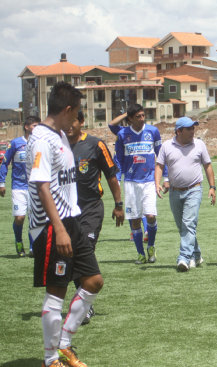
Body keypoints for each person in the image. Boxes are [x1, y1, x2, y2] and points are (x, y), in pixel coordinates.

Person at [26, 81, 103, 367]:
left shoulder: (59, 135)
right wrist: (58, 229)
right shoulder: (41, 139)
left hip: (72, 221)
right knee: (56, 292)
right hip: (51, 226)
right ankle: (50, 359)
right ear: (68, 109)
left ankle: (64, 344)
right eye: (77, 113)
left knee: (94, 281)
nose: (77, 119)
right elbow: (42, 186)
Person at [65, 111, 124, 325]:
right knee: (71, 256)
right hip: (67, 211)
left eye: (74, 121)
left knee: (86, 250)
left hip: (91, 208)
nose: (69, 126)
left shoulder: (95, 145)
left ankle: (84, 306)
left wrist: (118, 205)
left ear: (81, 122)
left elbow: (111, 175)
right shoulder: (58, 145)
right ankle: (84, 302)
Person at [155, 117, 216, 272]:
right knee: (183, 227)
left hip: (194, 189)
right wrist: (157, 183)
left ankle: (183, 258)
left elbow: (207, 166)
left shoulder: (199, 144)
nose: (192, 131)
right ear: (179, 131)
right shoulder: (167, 146)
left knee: (188, 223)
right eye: (189, 129)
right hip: (175, 192)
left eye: (193, 128)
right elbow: (160, 166)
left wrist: (212, 187)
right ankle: (196, 254)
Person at [114, 105, 163, 264]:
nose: (142, 119)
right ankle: (141, 254)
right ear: (130, 119)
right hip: (130, 182)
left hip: (148, 181)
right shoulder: (122, 134)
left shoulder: (153, 131)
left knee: (150, 216)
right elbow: (119, 160)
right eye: (138, 117)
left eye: (143, 116)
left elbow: (161, 156)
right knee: (135, 220)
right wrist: (118, 178)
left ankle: (151, 246)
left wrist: (166, 177)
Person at [0, 115, 39, 257]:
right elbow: (4, 163)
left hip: (35, 186)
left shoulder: (39, 143)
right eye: (35, 125)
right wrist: (1, 183)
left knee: (33, 218)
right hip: (18, 186)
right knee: (20, 218)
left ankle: (32, 247)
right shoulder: (16, 143)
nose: (37, 128)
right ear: (27, 127)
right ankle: (18, 241)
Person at [109, 112, 149, 242]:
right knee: (131, 205)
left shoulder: (144, 131)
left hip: (137, 171)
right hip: (123, 172)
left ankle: (146, 230)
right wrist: (126, 113)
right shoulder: (123, 132)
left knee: (142, 204)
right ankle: (135, 232)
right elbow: (112, 124)